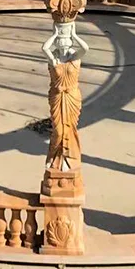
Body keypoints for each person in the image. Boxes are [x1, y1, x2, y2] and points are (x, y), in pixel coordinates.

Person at [42, 22, 89, 171]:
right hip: (57, 97)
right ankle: (54, 158)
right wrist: (55, 34)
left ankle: (69, 159)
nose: (64, 47)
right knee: (58, 129)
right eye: (60, 44)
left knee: (70, 128)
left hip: (72, 97)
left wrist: (74, 35)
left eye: (67, 44)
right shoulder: (54, 60)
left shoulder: (75, 58)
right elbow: (44, 48)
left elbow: (85, 48)